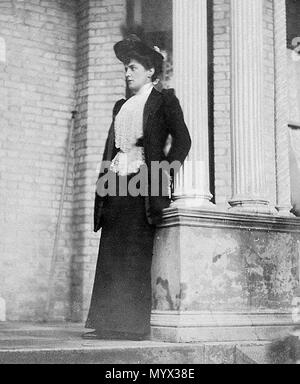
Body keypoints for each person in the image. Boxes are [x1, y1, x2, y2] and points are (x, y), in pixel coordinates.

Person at [83, 35, 191, 341]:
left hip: (144, 182)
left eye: (132, 67)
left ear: (149, 71)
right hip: (115, 180)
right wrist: (102, 189)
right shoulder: (122, 105)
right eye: (126, 68)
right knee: (112, 251)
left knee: (134, 253)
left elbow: (183, 141)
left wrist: (163, 174)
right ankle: (105, 324)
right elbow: (112, 150)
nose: (127, 73)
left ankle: (130, 327)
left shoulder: (163, 101)